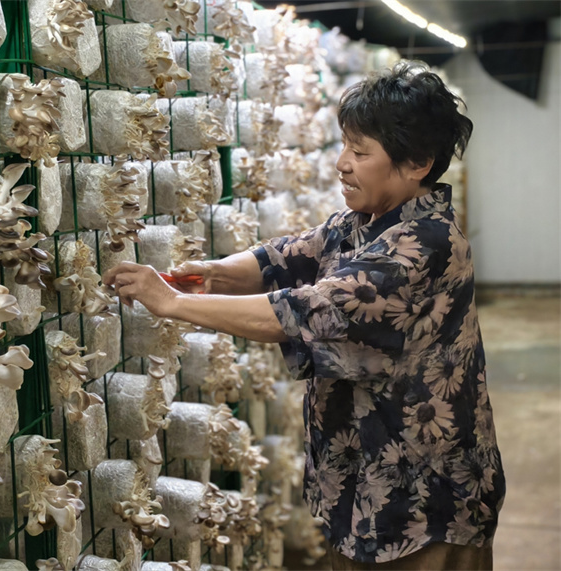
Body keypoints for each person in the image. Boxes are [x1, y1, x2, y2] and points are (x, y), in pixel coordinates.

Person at [103, 61, 504, 570]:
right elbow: (289, 255)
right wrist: (211, 273)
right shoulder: (364, 223)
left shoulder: (426, 246)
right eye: (345, 146)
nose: (342, 163)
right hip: (359, 487)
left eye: (360, 152)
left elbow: (309, 310)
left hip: (423, 503)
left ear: (418, 163)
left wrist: (173, 304)